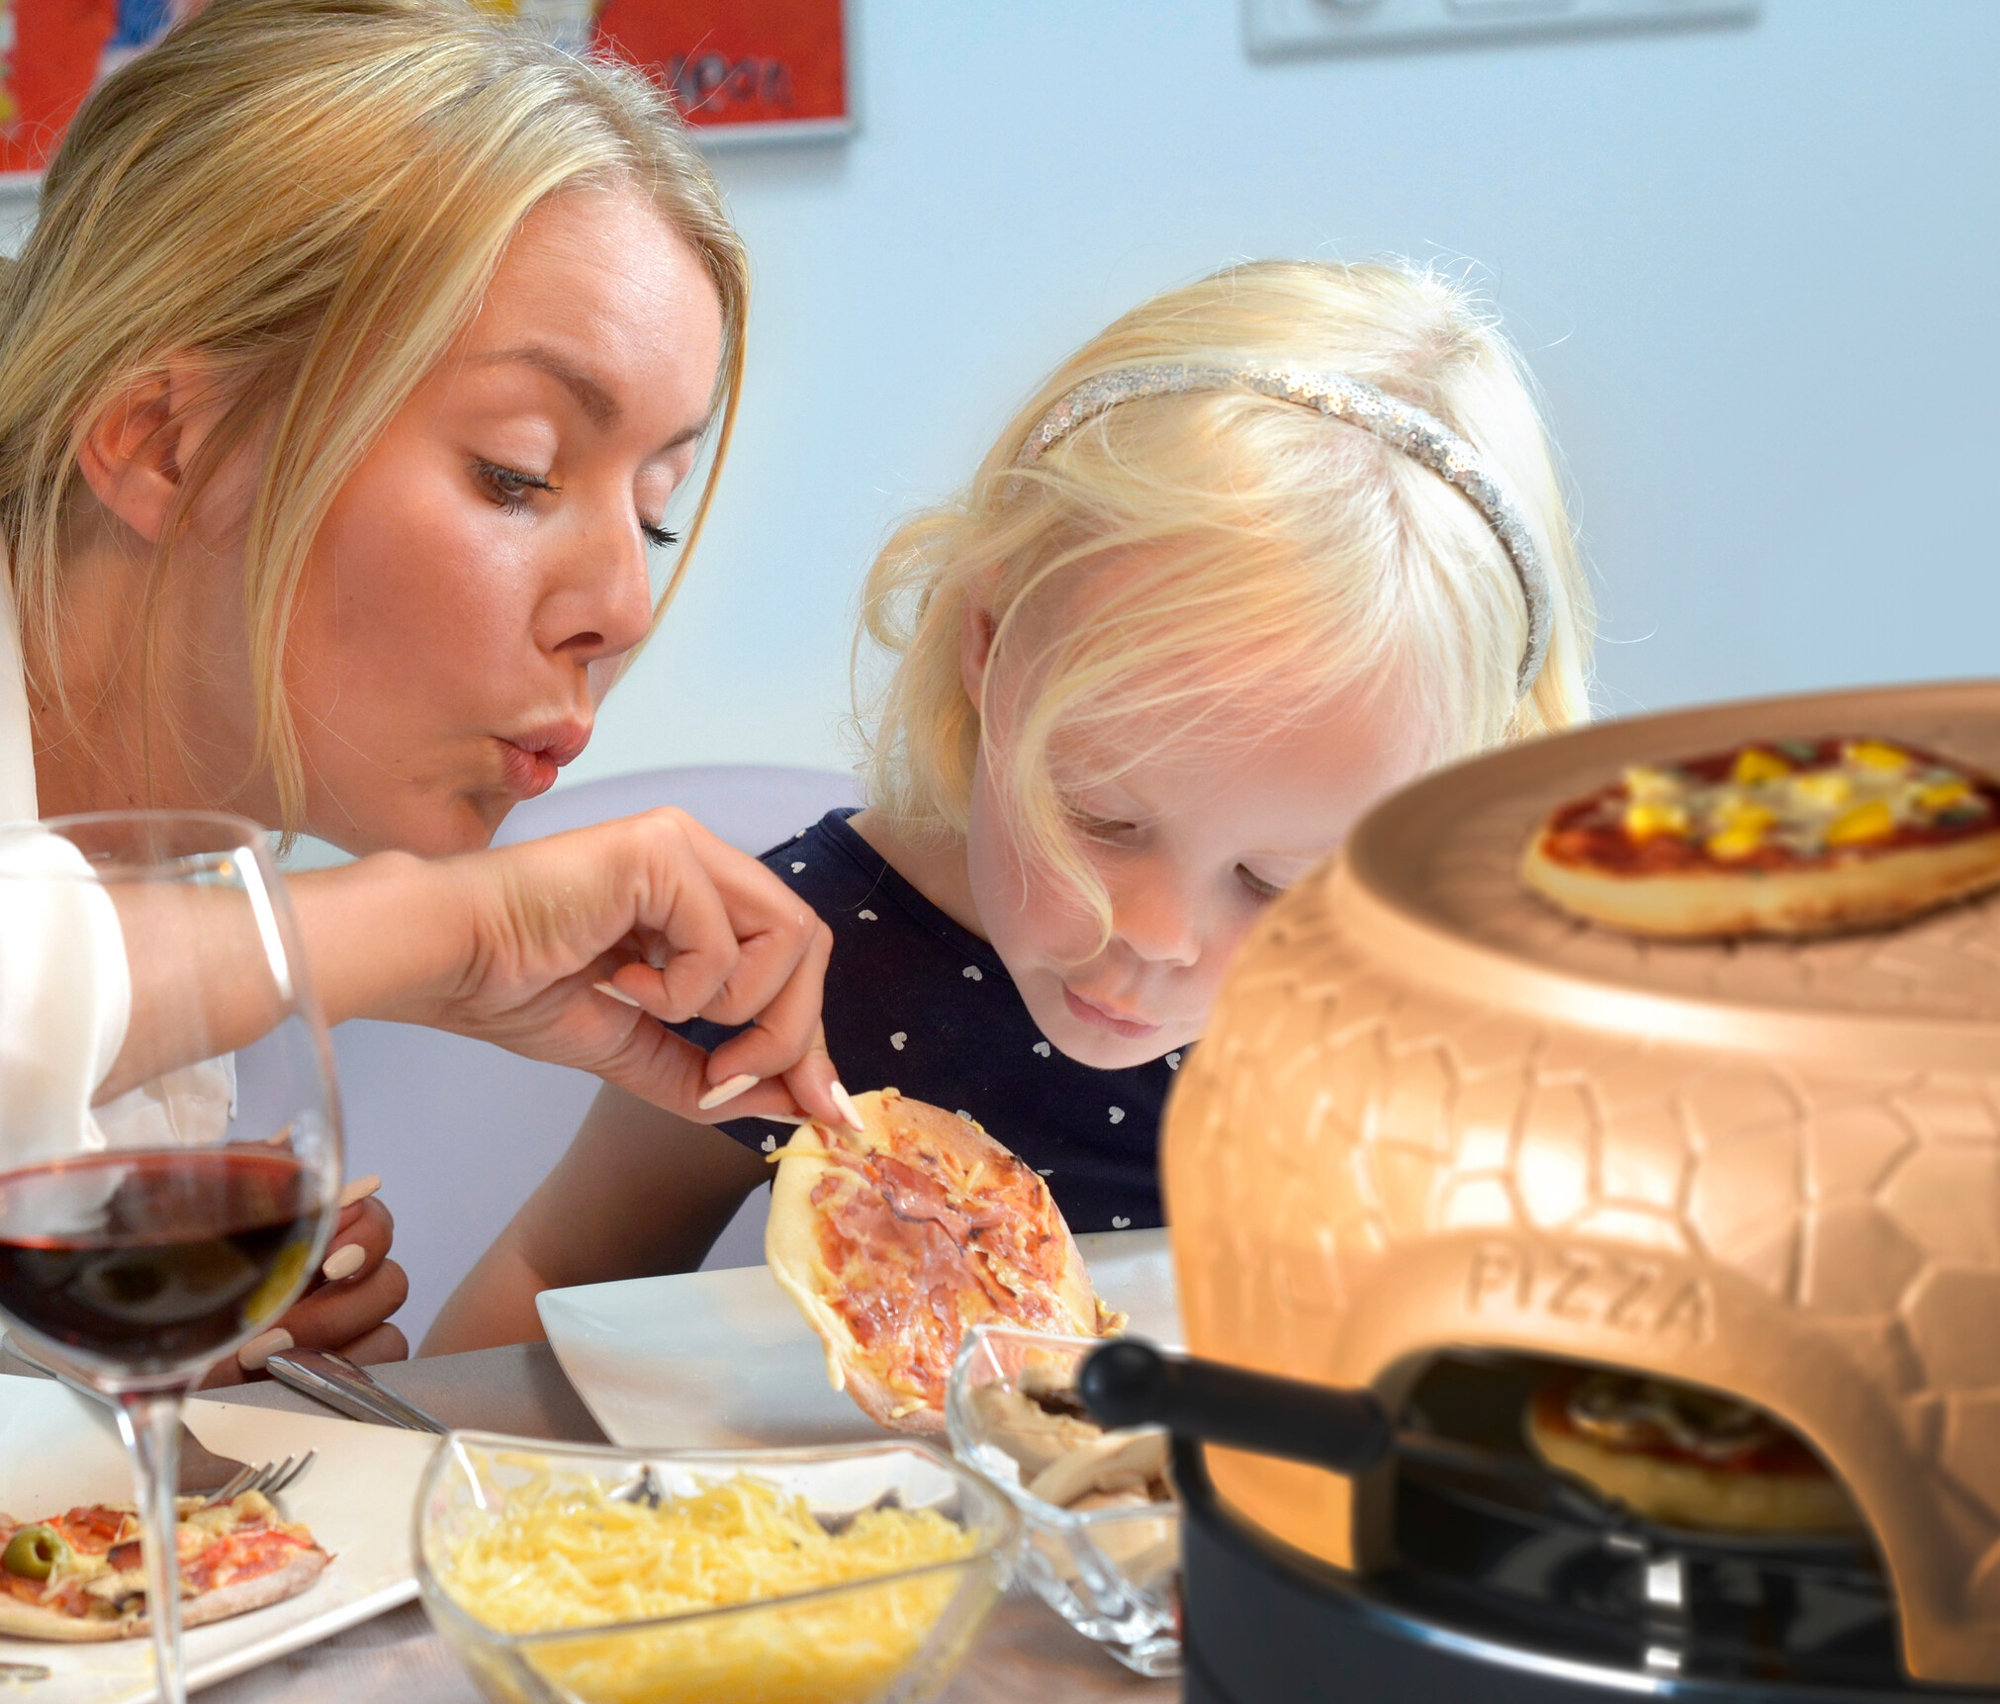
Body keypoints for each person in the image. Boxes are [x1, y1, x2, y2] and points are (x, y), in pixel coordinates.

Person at [427, 258, 1595, 1352]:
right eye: (1100, 816)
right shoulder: (800, 965)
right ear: (987, 646)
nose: (1153, 933)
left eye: (1276, 883)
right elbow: (557, 1272)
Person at [0, 0, 855, 1381]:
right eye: (517, 473)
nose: (623, 612)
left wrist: (113, 1373)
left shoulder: (175, 852)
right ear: (165, 445)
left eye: (652, 511)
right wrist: (426, 930)